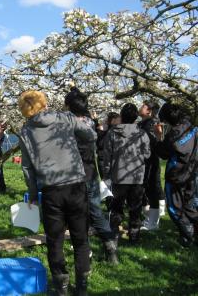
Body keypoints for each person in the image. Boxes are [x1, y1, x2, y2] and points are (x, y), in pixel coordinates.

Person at [18, 90, 96, 296]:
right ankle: (82, 287)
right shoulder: (66, 118)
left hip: (51, 190)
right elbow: (91, 135)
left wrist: (33, 194)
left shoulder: (26, 132)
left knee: (55, 239)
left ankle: (61, 286)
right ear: (44, 103)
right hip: (76, 185)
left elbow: (27, 168)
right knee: (80, 237)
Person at [65, 87, 118, 265]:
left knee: (79, 214)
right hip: (90, 172)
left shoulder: (68, 124)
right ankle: (110, 248)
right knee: (95, 211)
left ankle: (85, 251)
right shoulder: (89, 121)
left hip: (75, 175)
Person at [103, 103, 151, 244]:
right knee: (135, 208)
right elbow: (147, 154)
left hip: (118, 177)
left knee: (116, 208)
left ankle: (113, 236)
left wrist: (106, 175)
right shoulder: (142, 134)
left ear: (122, 116)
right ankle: (134, 237)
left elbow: (107, 157)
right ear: (135, 117)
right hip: (136, 177)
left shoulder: (112, 133)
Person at [154, 103, 198, 247]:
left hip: (176, 176)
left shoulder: (173, 135)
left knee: (174, 209)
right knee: (189, 205)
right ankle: (189, 236)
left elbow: (163, 153)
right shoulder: (191, 127)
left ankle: (188, 236)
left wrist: (158, 136)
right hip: (192, 172)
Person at [138, 100, 166, 230]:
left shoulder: (151, 123)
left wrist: (159, 135)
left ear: (149, 110)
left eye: (143, 106)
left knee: (152, 189)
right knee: (145, 190)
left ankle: (154, 222)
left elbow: (155, 143)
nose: (140, 107)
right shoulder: (141, 123)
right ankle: (149, 218)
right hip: (142, 162)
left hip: (150, 162)